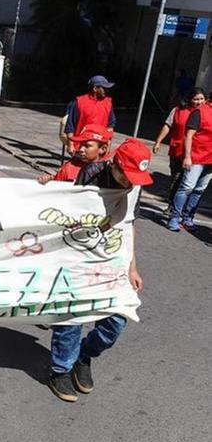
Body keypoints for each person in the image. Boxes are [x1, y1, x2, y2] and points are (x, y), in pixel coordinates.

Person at [48, 138, 152, 402]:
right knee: (73, 315)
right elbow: (71, 213)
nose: (130, 182)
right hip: (80, 255)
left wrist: (132, 267)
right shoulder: (91, 174)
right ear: (115, 163)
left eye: (136, 178)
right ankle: (60, 369)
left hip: (112, 258)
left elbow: (128, 225)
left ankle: (84, 356)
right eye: (127, 175)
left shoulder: (135, 186)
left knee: (116, 320)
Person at [156, 88, 206, 221]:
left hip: (196, 154)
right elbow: (168, 125)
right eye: (196, 99)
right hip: (178, 151)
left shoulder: (205, 113)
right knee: (177, 180)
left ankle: (183, 210)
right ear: (190, 99)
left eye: (201, 99)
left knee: (189, 184)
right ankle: (172, 206)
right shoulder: (178, 110)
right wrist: (158, 141)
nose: (199, 102)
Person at [169, 91, 212, 231]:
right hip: (196, 157)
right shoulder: (200, 112)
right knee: (187, 187)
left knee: (199, 190)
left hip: (210, 160)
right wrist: (187, 157)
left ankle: (188, 218)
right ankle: (174, 217)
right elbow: (188, 136)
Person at [37, 123, 112, 184]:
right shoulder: (69, 168)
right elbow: (55, 191)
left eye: (87, 146)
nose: (81, 149)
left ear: (102, 149)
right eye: (81, 145)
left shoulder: (111, 172)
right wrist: (48, 182)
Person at [65, 76, 116, 148]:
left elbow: (110, 126)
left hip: (99, 147)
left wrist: (108, 146)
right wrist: (70, 145)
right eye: (104, 88)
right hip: (81, 146)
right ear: (95, 88)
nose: (107, 90)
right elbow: (70, 126)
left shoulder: (108, 103)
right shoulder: (79, 102)